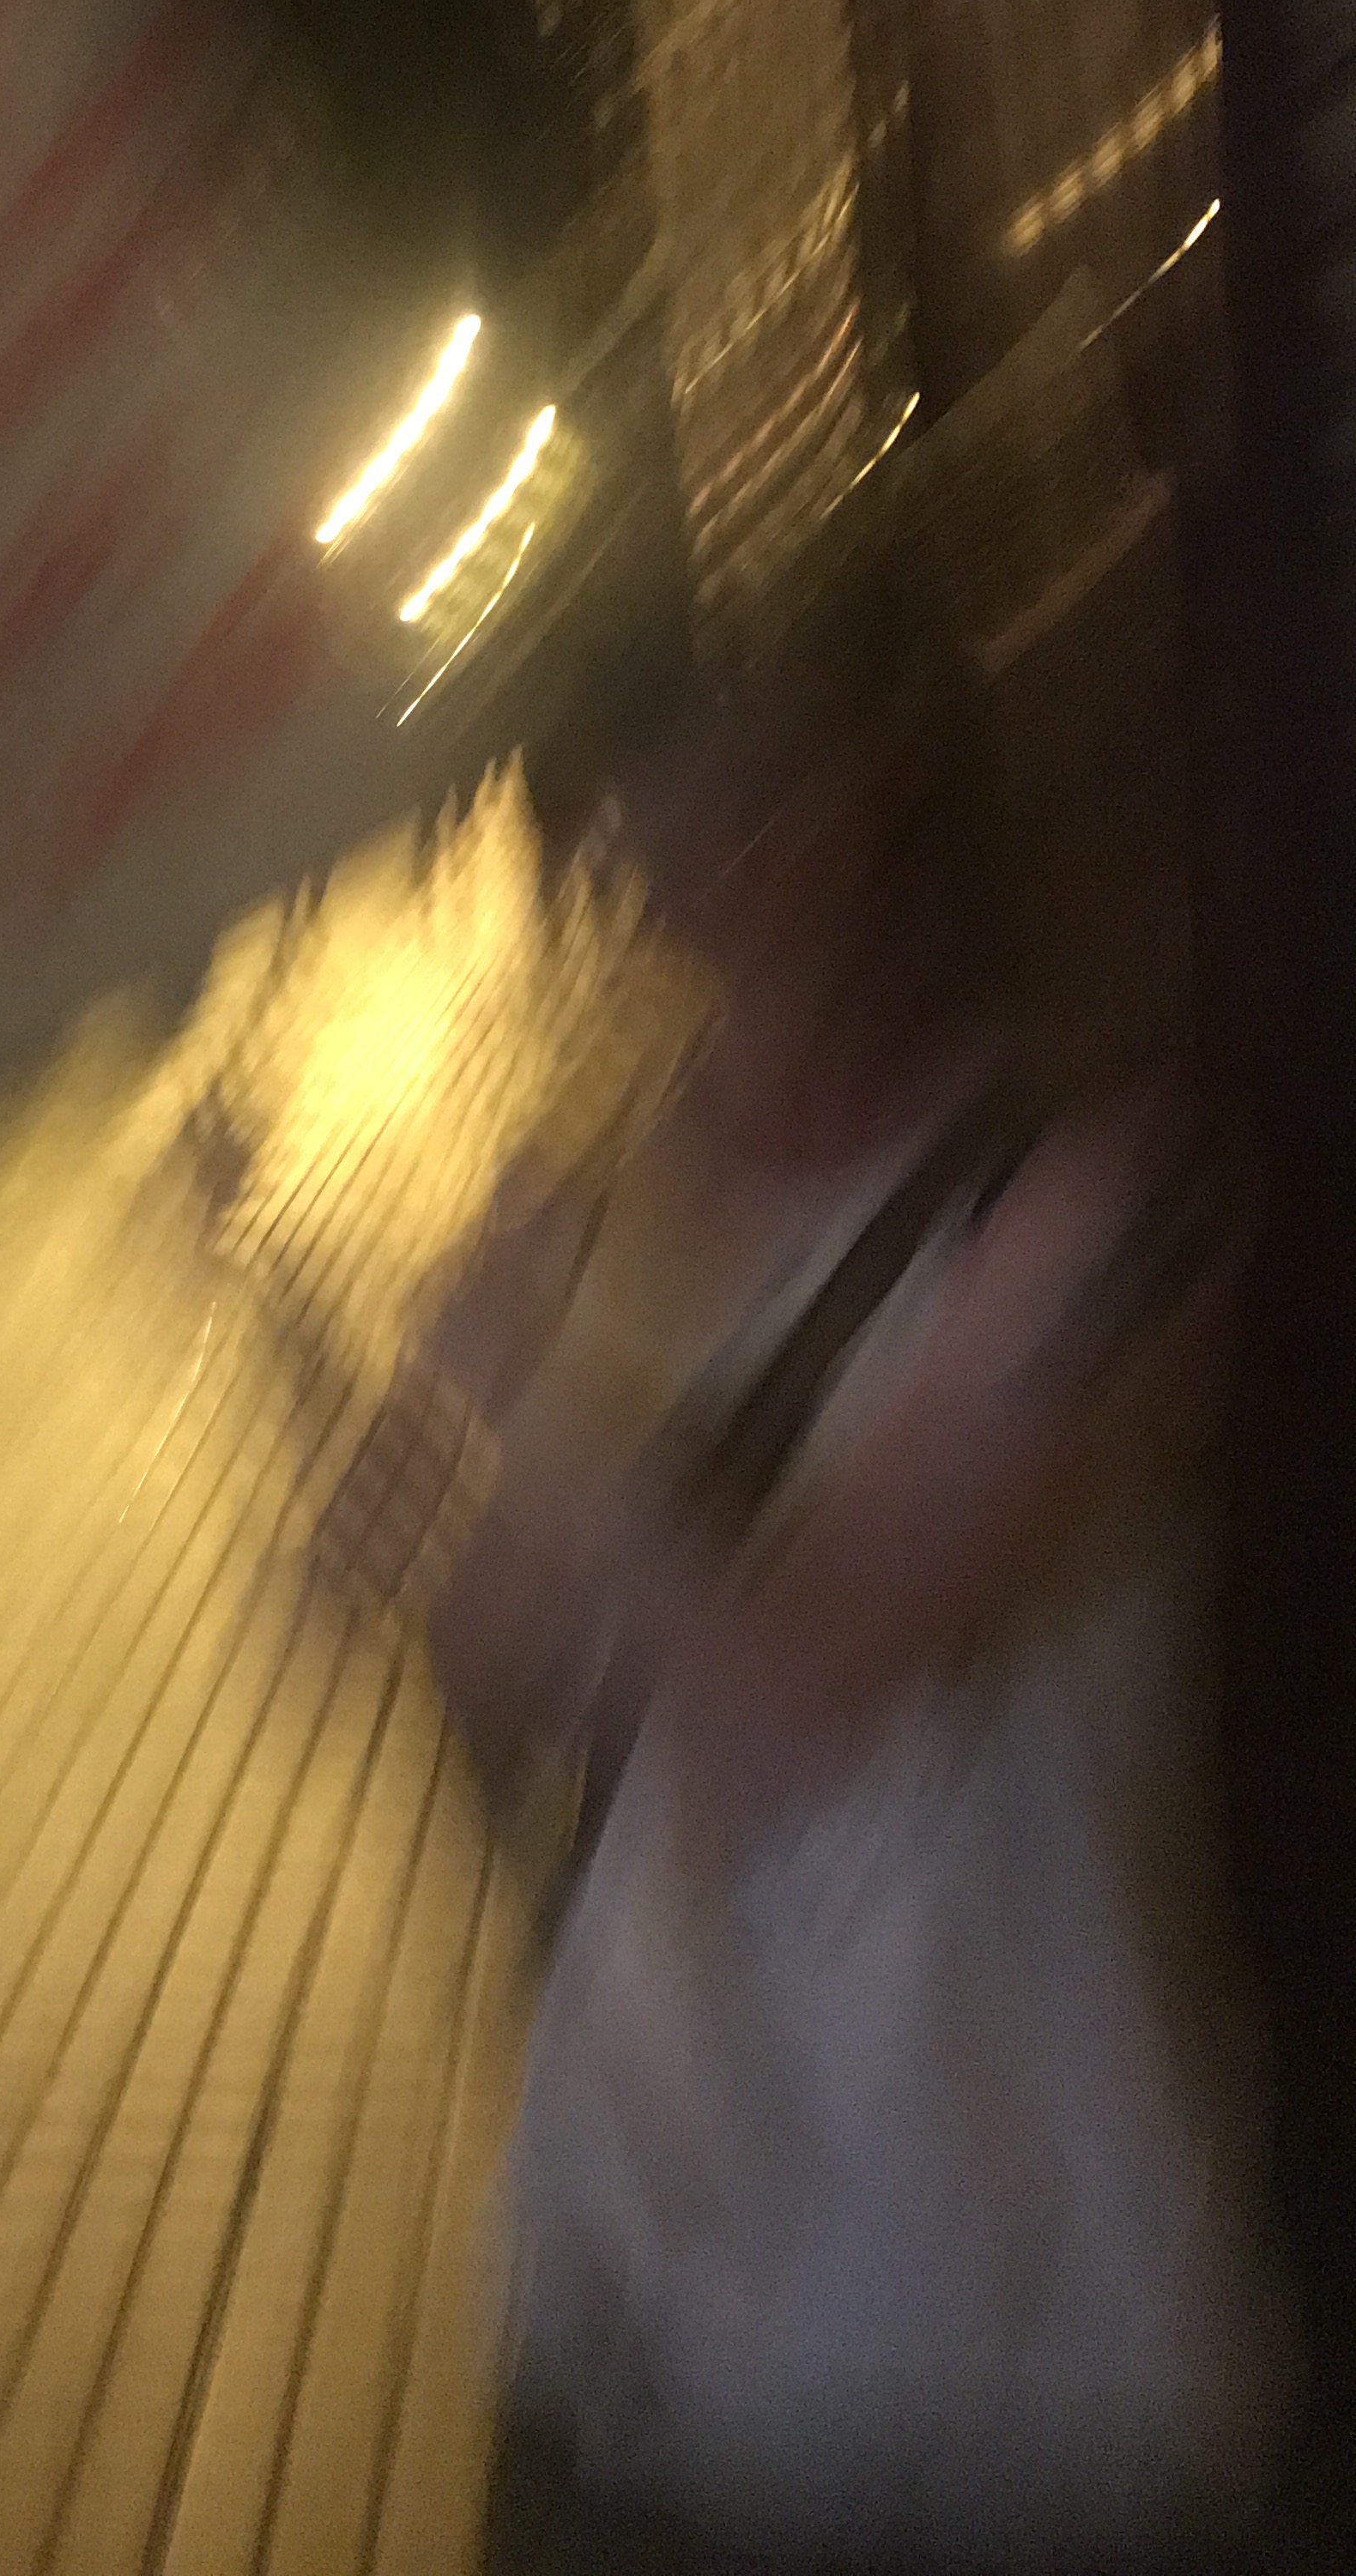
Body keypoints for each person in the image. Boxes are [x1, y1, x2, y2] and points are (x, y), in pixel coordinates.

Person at [409, 565, 1288, 2573]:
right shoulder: (593, 1207)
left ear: (892, 792)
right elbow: (514, 1686)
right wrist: (371, 1445)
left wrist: (527, 1400)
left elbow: (813, 1688)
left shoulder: (1098, 1203)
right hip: (628, 2302)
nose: (710, 856)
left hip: (998, 2356)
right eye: (648, 802)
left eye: (765, 787)